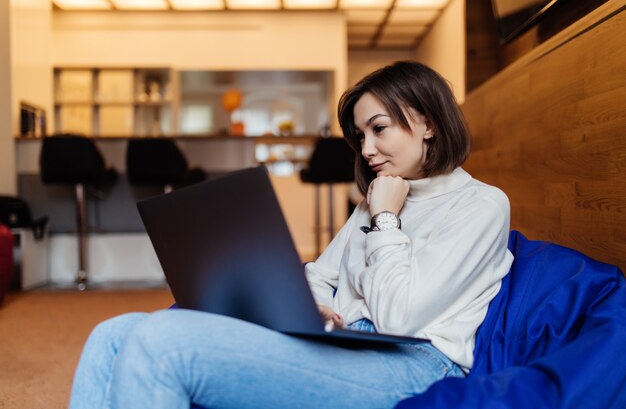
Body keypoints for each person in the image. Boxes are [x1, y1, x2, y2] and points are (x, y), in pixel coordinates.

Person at [69, 61, 513, 409]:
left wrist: (385, 221)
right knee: (114, 333)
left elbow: (400, 318)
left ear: (428, 123)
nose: (367, 150)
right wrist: (315, 307)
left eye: (379, 129)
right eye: (360, 136)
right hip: (349, 344)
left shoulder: (480, 205)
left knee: (160, 341)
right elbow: (320, 274)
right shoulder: (378, 196)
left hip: (416, 365)